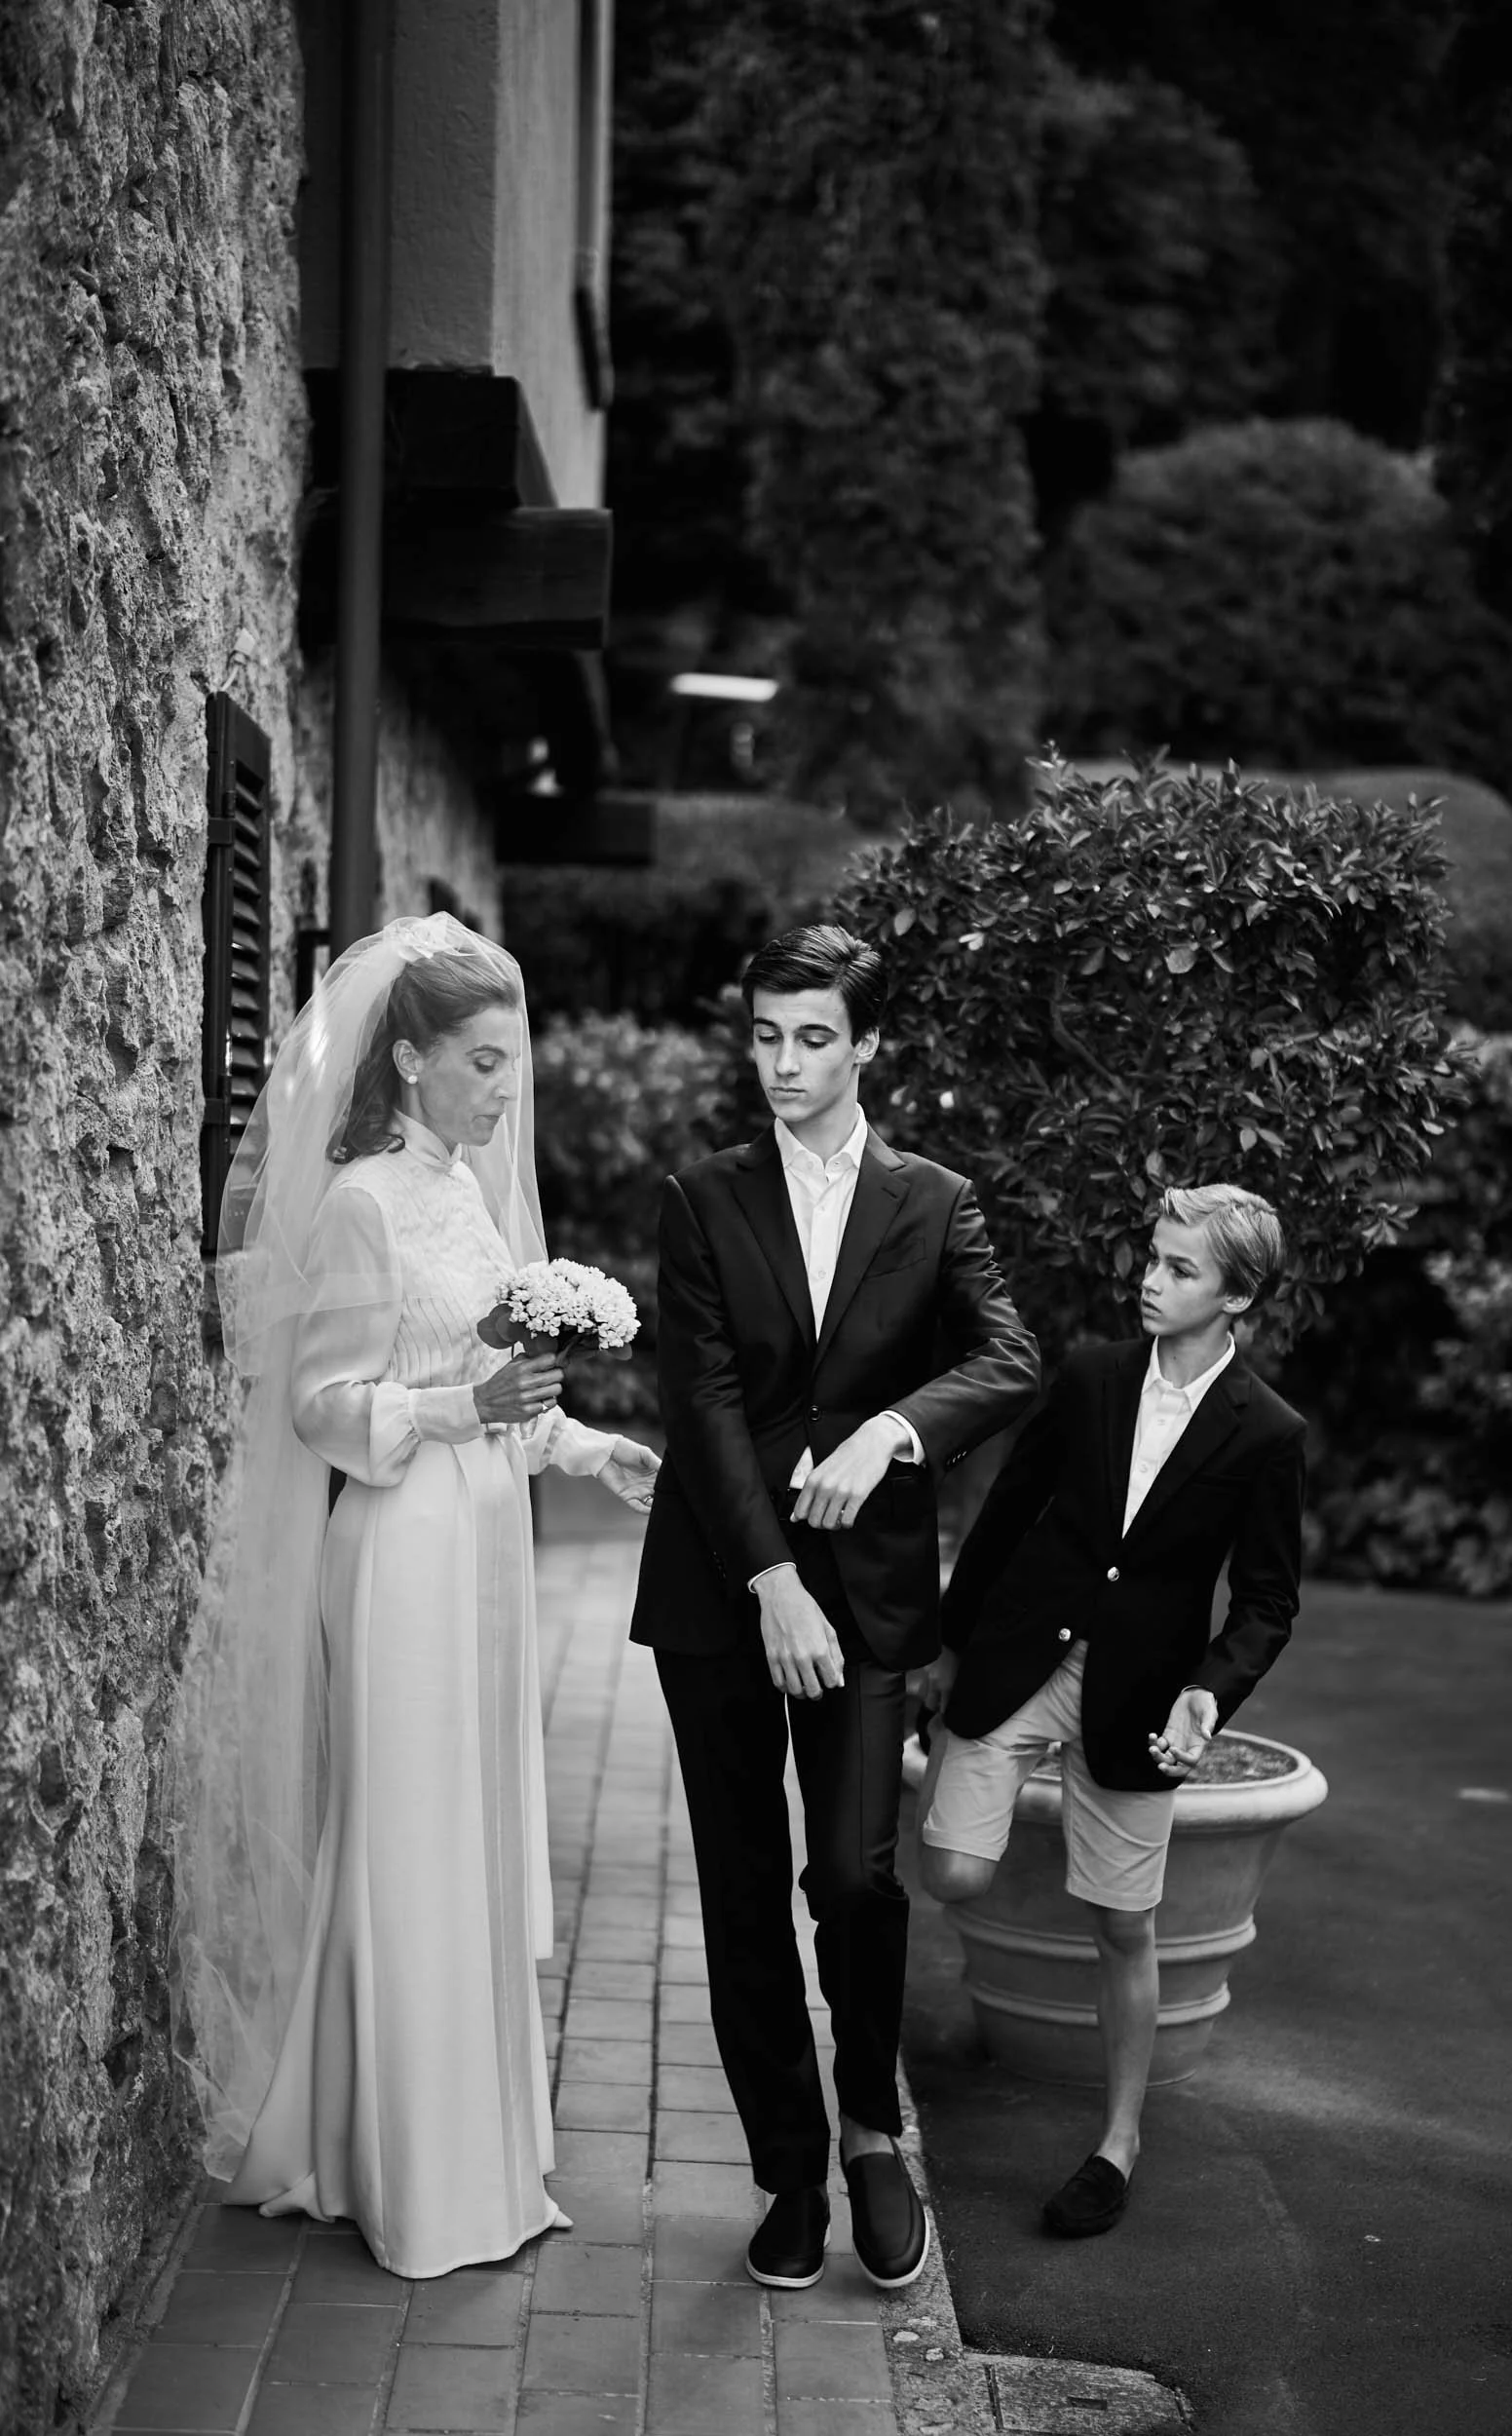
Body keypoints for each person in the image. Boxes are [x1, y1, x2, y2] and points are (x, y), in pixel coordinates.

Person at [169, 913, 659, 2280]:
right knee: (407, 1844)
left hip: (485, 1542)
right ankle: (407, 2173)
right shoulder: (365, 1206)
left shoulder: (476, 1200)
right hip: (397, 1551)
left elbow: (509, 1398)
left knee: (474, 1836)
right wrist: (463, 1406)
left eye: (515, 1063)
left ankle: (477, 2149)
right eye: (487, 1063)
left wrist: (589, 1447)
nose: (509, 1091)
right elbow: (322, 1410)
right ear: (410, 1062)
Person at [630, 924, 1040, 2292]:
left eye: (815, 1038)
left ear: (868, 1046)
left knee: (856, 1878)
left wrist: (895, 1435)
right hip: (722, 1594)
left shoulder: (934, 1200)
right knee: (744, 1893)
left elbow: (1007, 1356)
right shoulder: (701, 1196)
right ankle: (789, 2168)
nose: (786, 1064)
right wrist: (767, 1582)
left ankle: (872, 2127)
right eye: (766, 1035)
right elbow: (701, 1404)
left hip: (867, 1601)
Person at [914, 1183, 1305, 2239]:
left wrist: (1207, 1694)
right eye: (1153, 1255)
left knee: (1122, 1923)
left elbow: (1267, 1600)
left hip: (1140, 1699)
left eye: (1180, 1268)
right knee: (951, 1866)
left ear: (1238, 1296)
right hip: (1016, 1658)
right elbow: (1005, 1511)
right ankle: (1008, 1791)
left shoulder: (1267, 1432)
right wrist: (947, 1645)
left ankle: (1117, 2140)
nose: (1151, 1276)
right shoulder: (1089, 1376)